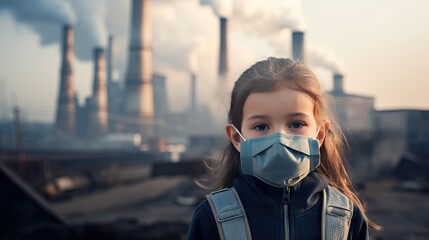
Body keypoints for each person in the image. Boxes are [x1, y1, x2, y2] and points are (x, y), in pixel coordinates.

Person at [186, 57, 381, 240]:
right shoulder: (212, 217)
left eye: (296, 124)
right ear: (237, 138)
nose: (280, 139)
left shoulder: (345, 218)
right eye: (261, 126)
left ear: (320, 135)